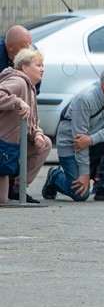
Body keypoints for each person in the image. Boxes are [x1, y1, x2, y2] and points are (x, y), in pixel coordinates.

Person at [45, 66, 104, 202]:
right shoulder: (86, 99)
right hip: (71, 146)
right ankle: (55, 175)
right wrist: (84, 173)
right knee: (80, 195)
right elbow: (79, 140)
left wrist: (92, 139)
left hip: (91, 142)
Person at [0, 48, 52, 204]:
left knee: (45, 143)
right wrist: (17, 102)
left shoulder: (30, 87)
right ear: (24, 67)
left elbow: (32, 121)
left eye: (43, 65)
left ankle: (18, 188)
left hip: (13, 146)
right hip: (4, 145)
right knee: (1, 201)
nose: (42, 69)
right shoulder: (19, 81)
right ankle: (11, 185)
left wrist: (37, 134)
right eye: (38, 65)